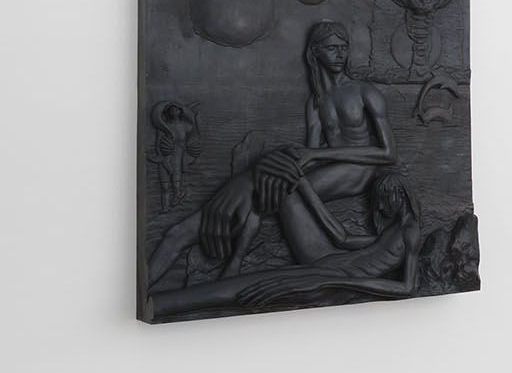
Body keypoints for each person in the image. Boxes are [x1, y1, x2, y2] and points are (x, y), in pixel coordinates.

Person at [145, 21, 399, 290]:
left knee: (272, 184)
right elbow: (309, 156)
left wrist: (313, 155)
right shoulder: (316, 102)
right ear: (315, 52)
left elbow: (388, 153)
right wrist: (285, 160)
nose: (340, 54)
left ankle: (233, 261)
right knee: (264, 182)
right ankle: (176, 246)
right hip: (330, 168)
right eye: (332, 48)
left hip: (359, 170)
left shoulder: (364, 91)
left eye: (344, 47)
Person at [148, 172, 422, 318]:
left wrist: (334, 282)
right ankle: (158, 299)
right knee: (238, 287)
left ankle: (159, 304)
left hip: (331, 281)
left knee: (241, 290)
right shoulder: (392, 230)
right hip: (328, 266)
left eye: (383, 199)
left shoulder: (410, 232)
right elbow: (343, 239)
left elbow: (407, 287)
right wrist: (303, 185)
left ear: (398, 195)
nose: (379, 207)